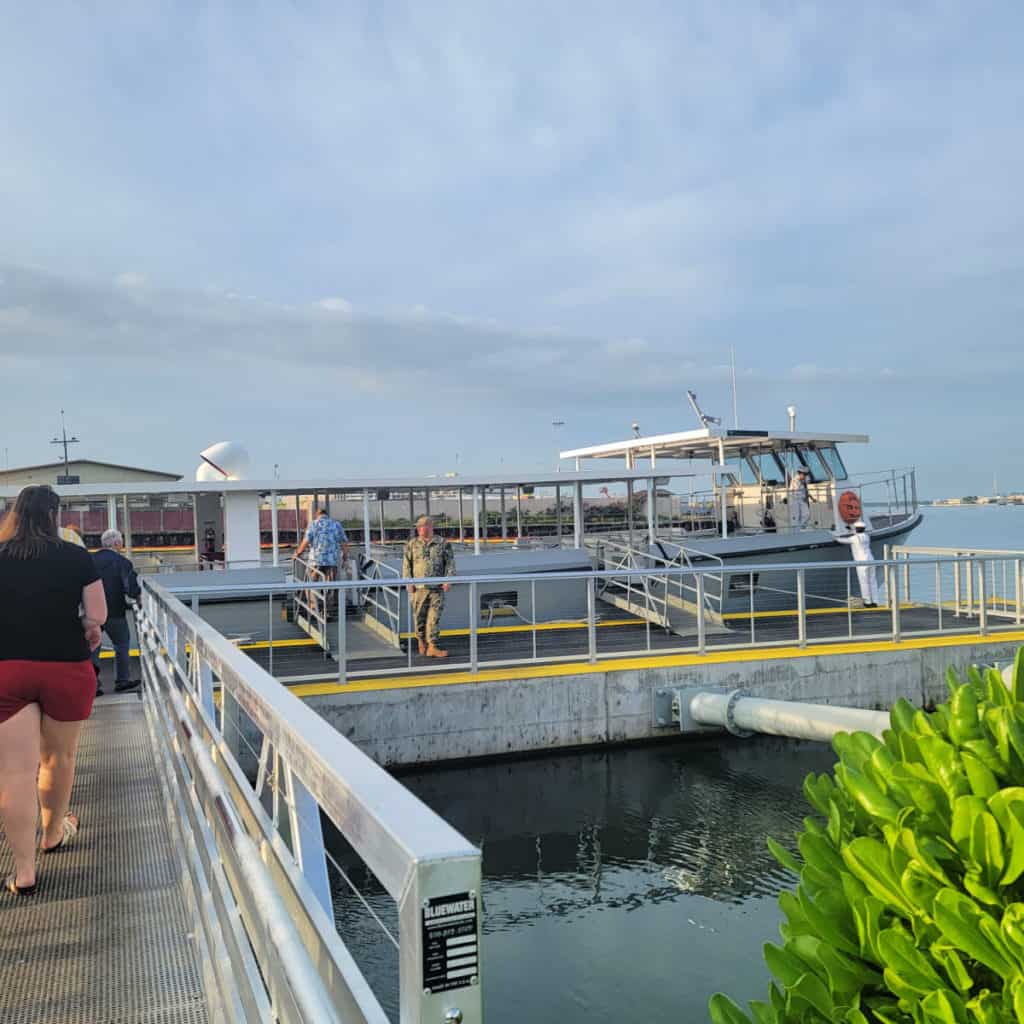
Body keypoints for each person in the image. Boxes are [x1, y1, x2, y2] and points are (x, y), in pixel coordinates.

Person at [0, 485, 106, 896]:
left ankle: (24, 873)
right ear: (54, 515)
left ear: (15, 514)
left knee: (13, 773)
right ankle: (52, 834)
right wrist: (87, 626)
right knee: (58, 757)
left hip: (7, 669)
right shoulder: (75, 555)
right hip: (66, 665)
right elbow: (97, 613)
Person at [91, 529, 141, 695]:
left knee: (93, 647)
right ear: (117, 544)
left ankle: (93, 685)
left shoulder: (90, 560)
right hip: (115, 611)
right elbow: (131, 589)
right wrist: (138, 597)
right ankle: (122, 681)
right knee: (121, 644)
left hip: (92, 611)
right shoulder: (122, 562)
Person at [402, 515, 455, 657]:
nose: (420, 529)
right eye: (418, 526)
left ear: (430, 526)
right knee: (419, 617)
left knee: (434, 617)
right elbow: (407, 565)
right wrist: (408, 582)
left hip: (436, 587)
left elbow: (450, 563)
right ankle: (421, 641)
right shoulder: (412, 544)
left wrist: (448, 580)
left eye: (423, 526)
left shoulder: (442, 543)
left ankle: (432, 646)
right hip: (418, 588)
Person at [295, 505, 350, 618]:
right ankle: (327, 611)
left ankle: (313, 607)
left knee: (311, 584)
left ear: (317, 515)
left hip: (315, 560)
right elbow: (344, 543)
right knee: (329, 586)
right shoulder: (336, 524)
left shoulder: (313, 524)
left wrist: (297, 553)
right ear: (327, 515)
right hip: (332, 561)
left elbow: (305, 542)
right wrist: (345, 558)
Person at [834, 519, 882, 607]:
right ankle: (875, 601)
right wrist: (851, 529)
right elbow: (857, 533)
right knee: (872, 581)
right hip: (871, 560)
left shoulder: (854, 538)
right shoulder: (867, 536)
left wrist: (834, 536)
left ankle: (867, 602)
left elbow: (839, 540)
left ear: (856, 529)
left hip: (862, 562)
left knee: (864, 582)